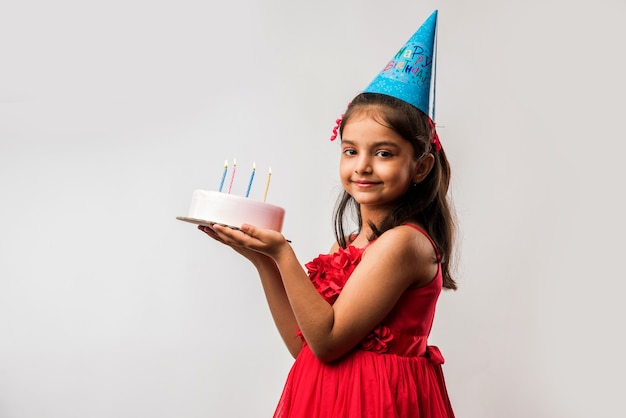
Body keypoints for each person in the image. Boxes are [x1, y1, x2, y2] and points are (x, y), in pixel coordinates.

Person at [198, 10, 456, 418]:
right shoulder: (352, 243)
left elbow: (329, 339)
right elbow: (306, 347)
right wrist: (265, 261)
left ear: (421, 167)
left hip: (378, 404)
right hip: (329, 399)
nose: (362, 166)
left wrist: (284, 254)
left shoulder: (403, 243)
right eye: (351, 150)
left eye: (384, 153)